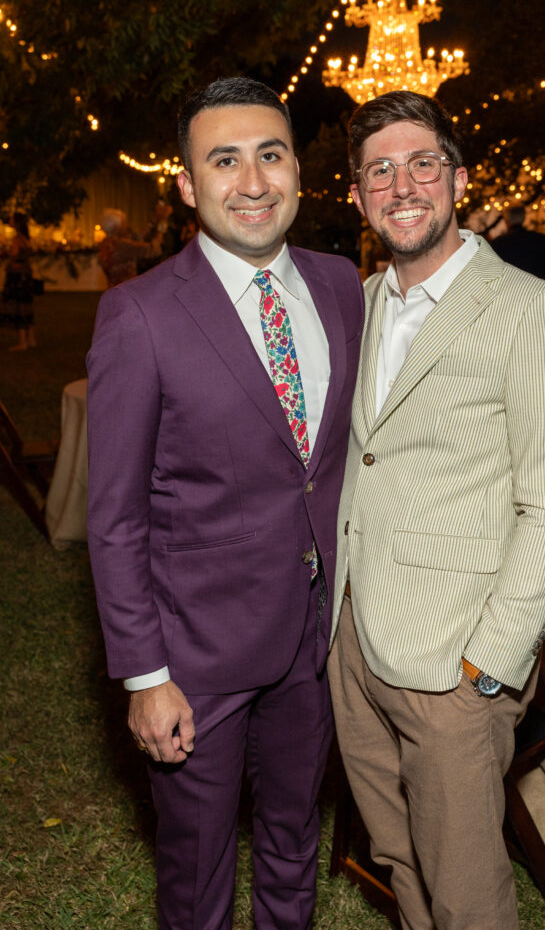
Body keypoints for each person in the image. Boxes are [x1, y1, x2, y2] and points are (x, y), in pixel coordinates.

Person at [87, 77, 364, 930]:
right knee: (197, 864)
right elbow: (115, 517)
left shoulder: (341, 286)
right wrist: (146, 676)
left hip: (316, 639)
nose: (251, 182)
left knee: (293, 835)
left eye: (270, 155)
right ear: (185, 185)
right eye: (223, 160)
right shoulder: (138, 315)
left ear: (298, 171)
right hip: (196, 654)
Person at [327, 90, 545, 930]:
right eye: (379, 171)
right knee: (396, 853)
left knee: (464, 884)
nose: (402, 186)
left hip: (455, 657)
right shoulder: (355, 306)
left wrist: (490, 664)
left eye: (421, 164)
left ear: (459, 180)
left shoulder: (530, 310)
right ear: (358, 196)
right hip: (351, 634)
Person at [492, 204, 545, 283]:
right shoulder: (539, 240)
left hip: (510, 288)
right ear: (524, 218)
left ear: (506, 220)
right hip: (536, 287)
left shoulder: (498, 243)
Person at [1, 212, 37, 350]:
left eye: (11, 219)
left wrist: (7, 253)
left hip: (17, 276)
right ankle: (31, 339)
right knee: (27, 305)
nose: (9, 220)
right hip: (26, 274)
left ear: (16, 223)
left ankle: (22, 342)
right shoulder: (25, 238)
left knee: (19, 306)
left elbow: (14, 255)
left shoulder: (17, 239)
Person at [97, 209, 154, 287]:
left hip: (113, 288)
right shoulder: (120, 245)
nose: (126, 226)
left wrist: (152, 222)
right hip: (126, 289)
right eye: (123, 223)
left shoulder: (105, 243)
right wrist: (162, 227)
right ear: (116, 227)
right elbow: (151, 249)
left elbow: (136, 238)